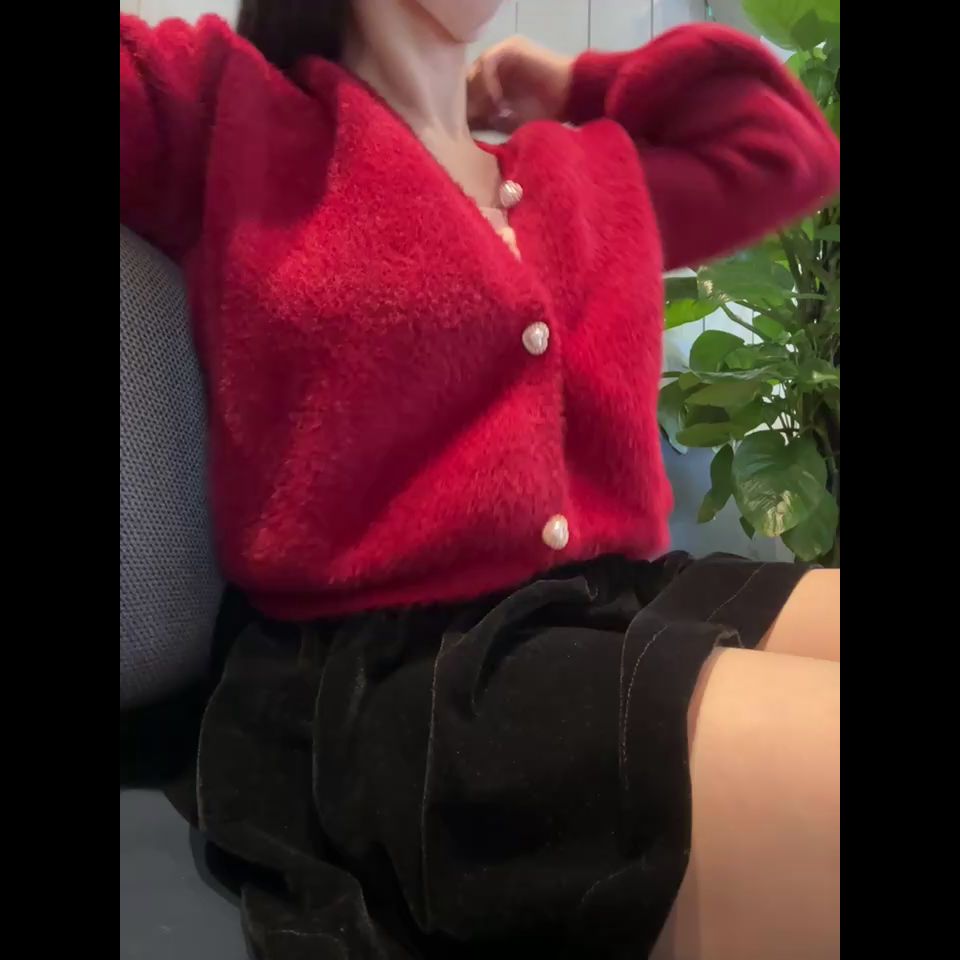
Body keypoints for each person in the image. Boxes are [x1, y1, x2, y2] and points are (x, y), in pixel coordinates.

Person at [120, 1, 840, 957]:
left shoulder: (582, 170)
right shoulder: (232, 112)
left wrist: (583, 85)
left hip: (614, 600)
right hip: (404, 671)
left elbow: (785, 149)